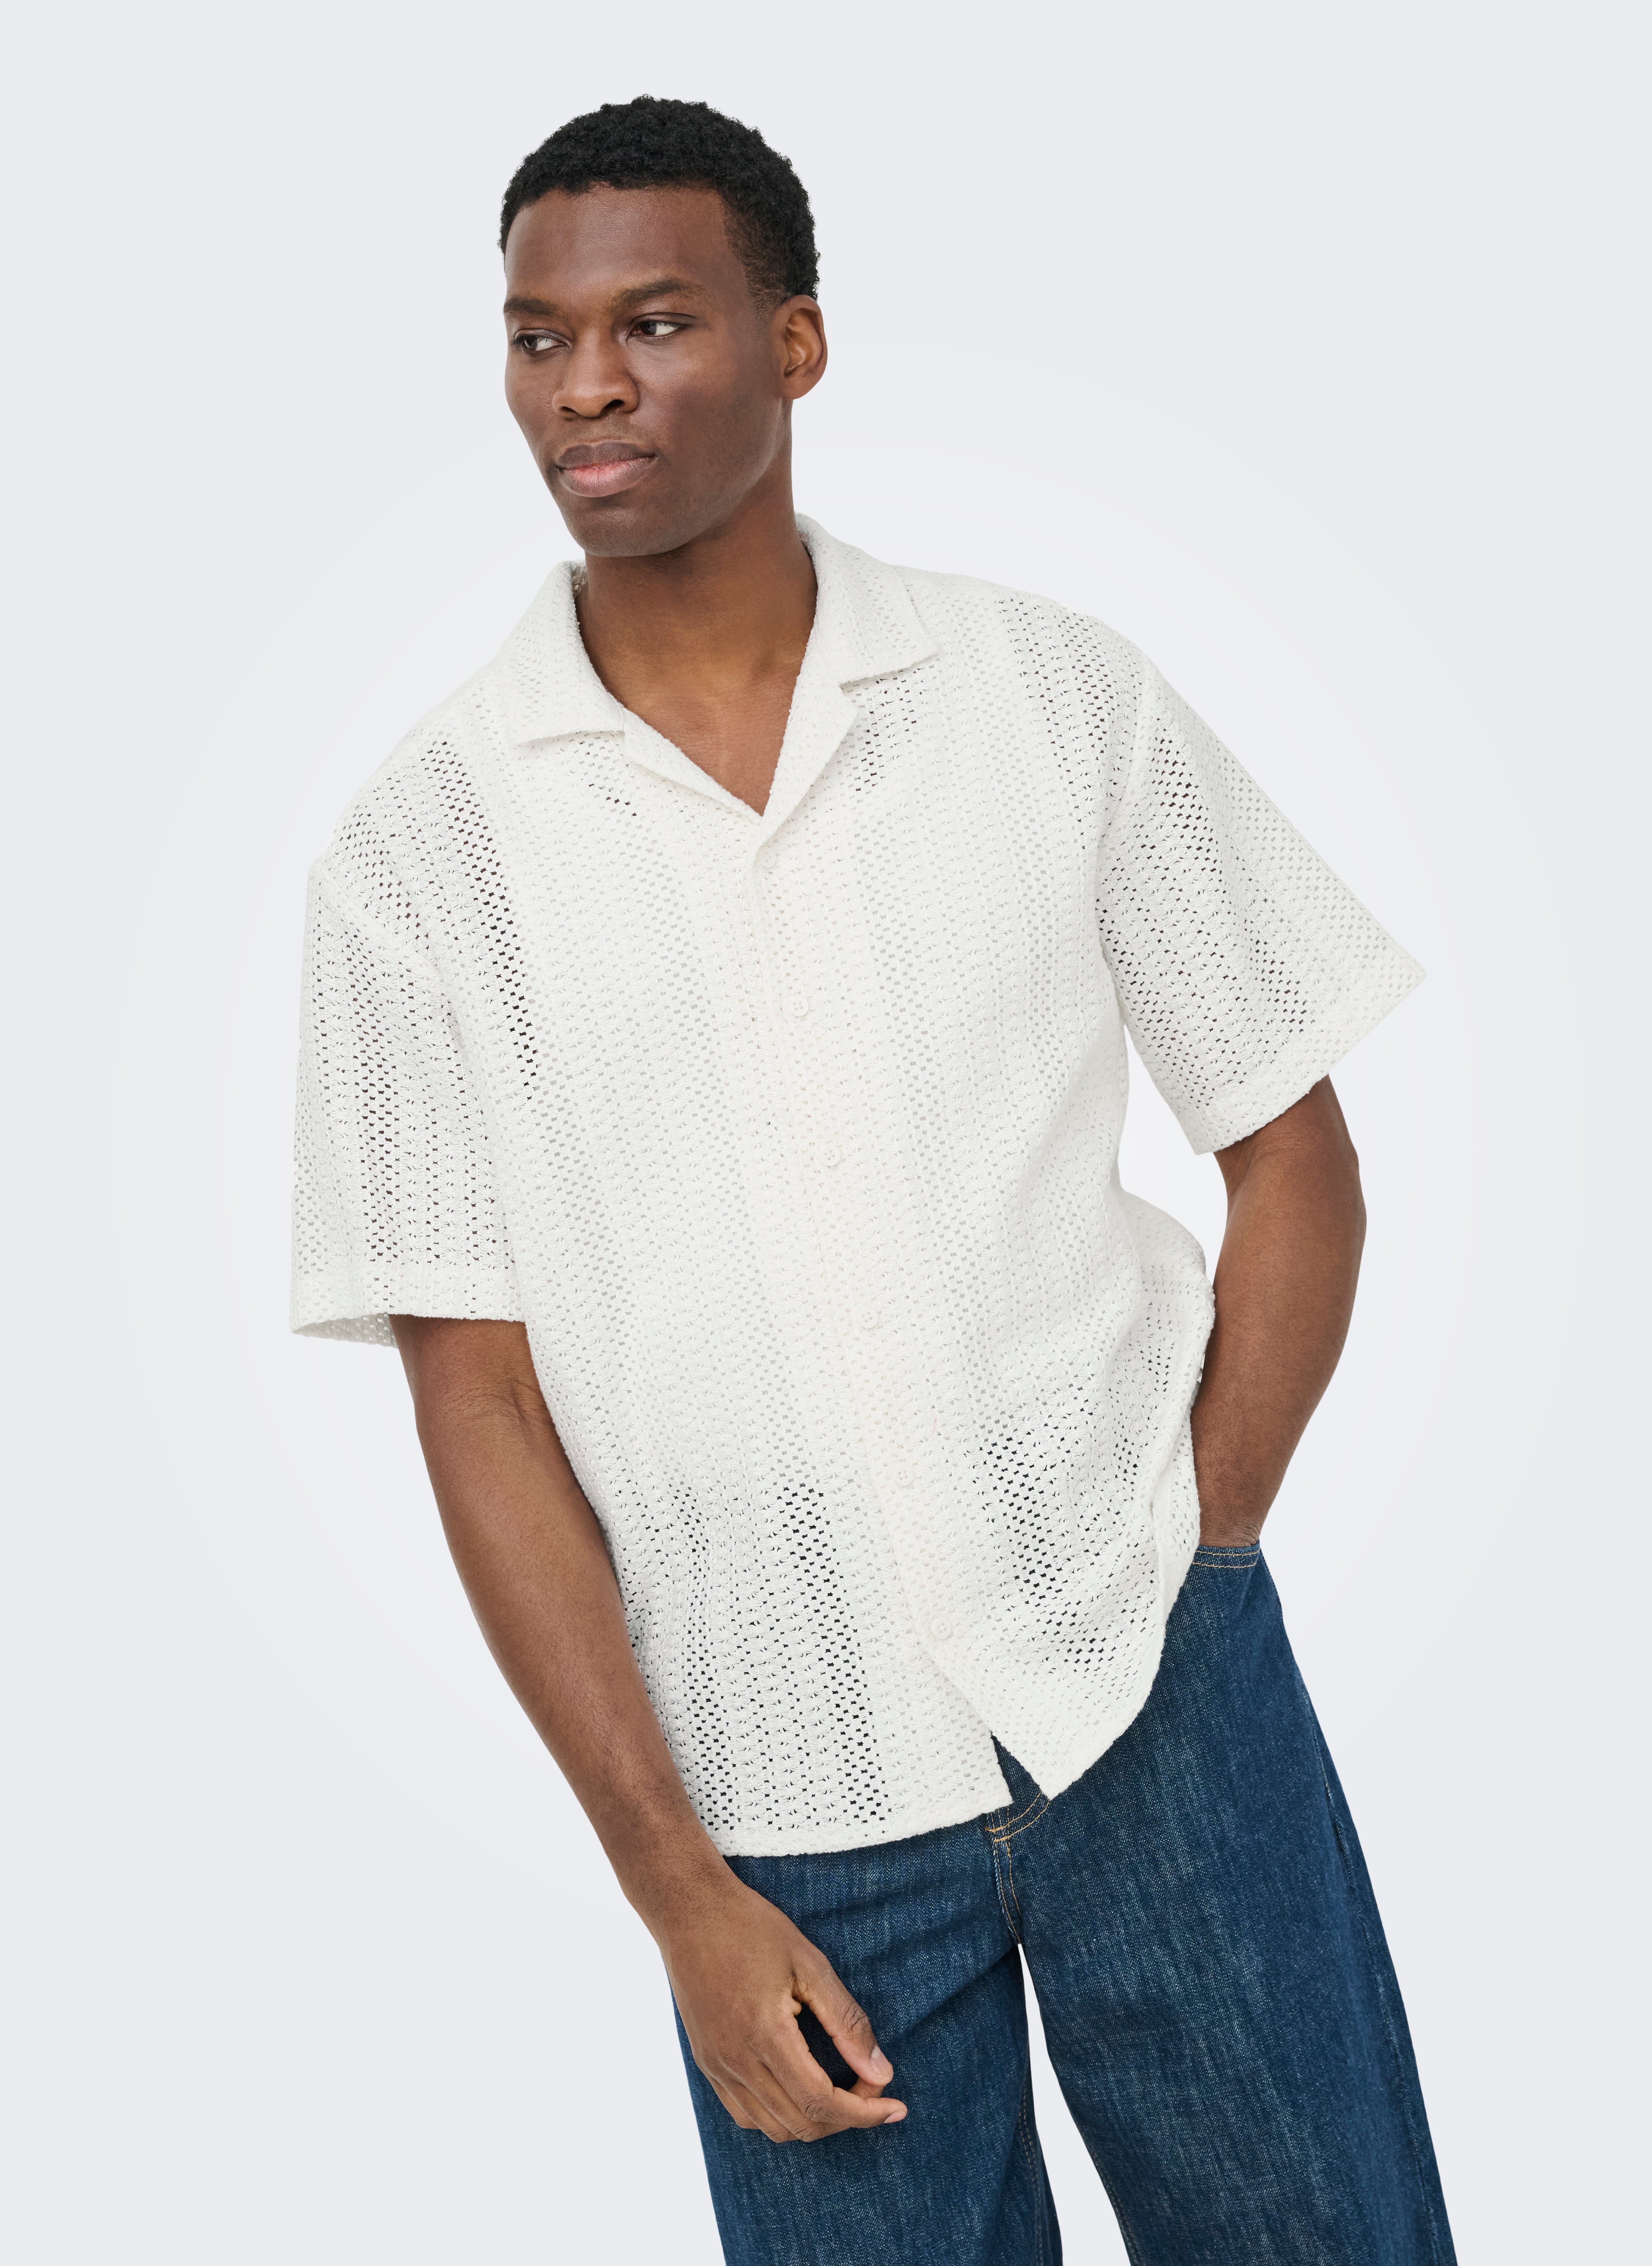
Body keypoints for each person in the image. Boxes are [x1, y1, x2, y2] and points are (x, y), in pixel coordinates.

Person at [291, 94, 1455, 2266]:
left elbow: (1288, 1139)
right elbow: (479, 1395)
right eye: (540, 339)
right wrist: (675, 1888)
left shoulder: (1045, 696)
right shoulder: (424, 857)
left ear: (795, 343)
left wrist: (1203, 1546)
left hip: (1150, 1692)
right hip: (775, 1804)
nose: (587, 386)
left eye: (653, 323)